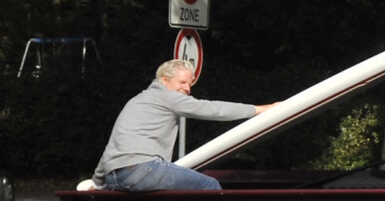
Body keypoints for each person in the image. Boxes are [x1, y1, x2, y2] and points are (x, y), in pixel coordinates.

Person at [90, 59, 278, 191]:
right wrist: (260, 109)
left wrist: (97, 183)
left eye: (190, 84)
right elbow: (212, 109)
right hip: (142, 170)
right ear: (164, 80)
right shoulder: (166, 97)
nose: (187, 88)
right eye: (182, 82)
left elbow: (112, 146)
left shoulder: (136, 101)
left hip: (114, 177)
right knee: (210, 186)